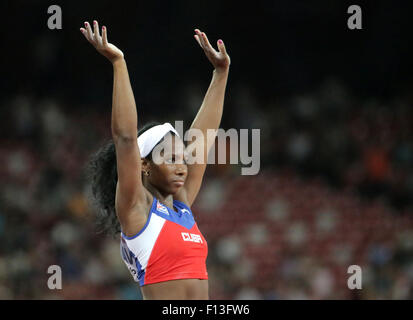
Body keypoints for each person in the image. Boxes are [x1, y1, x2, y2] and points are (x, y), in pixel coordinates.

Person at [81, 20, 230, 300]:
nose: (181, 166)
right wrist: (118, 62)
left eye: (182, 159)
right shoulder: (136, 208)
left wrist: (220, 74)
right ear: (144, 165)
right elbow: (125, 138)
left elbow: (202, 138)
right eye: (170, 158)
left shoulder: (182, 208)